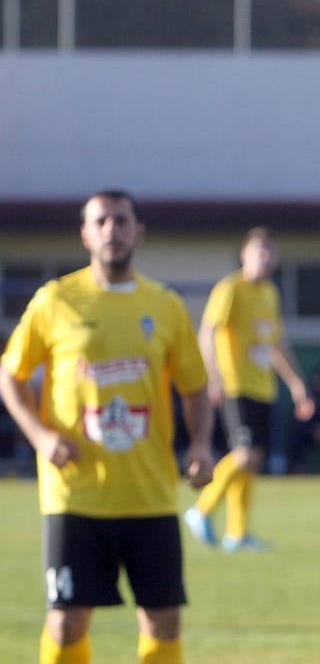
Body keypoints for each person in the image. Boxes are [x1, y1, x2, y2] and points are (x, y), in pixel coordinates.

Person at [0, 189, 214, 664]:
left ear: (139, 230)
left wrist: (199, 442)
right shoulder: (55, 300)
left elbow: (195, 386)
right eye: (100, 222)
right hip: (75, 495)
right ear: (85, 234)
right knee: (67, 620)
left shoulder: (165, 306)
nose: (111, 231)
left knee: (163, 620)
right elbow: (11, 375)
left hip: (149, 493)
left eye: (121, 221)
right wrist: (40, 436)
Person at [183, 228, 313, 552]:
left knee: (253, 460)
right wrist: (213, 376)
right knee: (243, 454)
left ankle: (237, 533)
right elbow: (208, 332)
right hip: (235, 384)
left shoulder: (269, 294)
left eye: (270, 253)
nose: (265, 258)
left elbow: (277, 344)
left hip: (263, 387)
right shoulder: (230, 289)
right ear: (245, 255)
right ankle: (201, 509)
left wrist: (297, 386)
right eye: (259, 252)